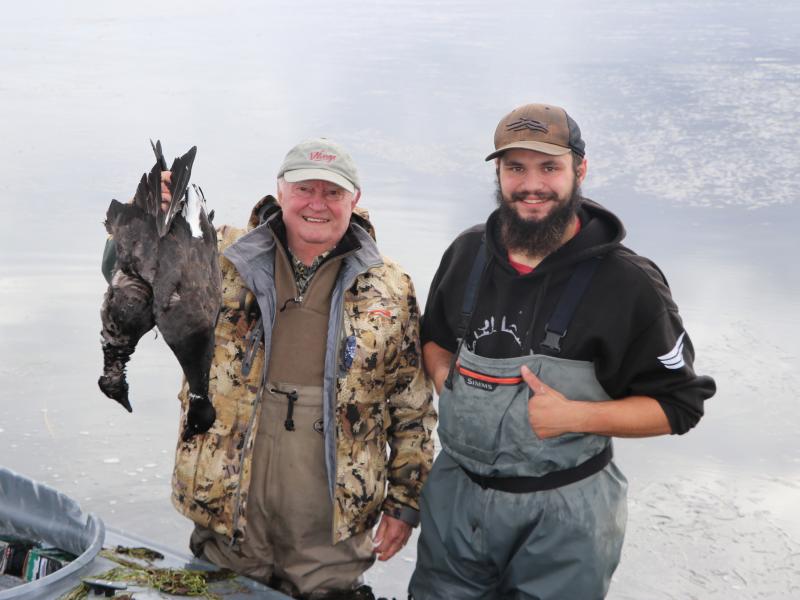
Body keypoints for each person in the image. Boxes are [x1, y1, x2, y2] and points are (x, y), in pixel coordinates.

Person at [104, 138, 436, 600]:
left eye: (333, 192)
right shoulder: (220, 254)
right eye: (304, 189)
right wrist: (149, 215)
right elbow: (124, 272)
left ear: (355, 199)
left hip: (329, 528)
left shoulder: (391, 286)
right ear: (280, 191)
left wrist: (405, 503)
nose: (317, 204)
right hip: (228, 510)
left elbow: (411, 404)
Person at [408, 104, 716, 599]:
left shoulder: (629, 284)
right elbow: (436, 338)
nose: (532, 185)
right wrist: (450, 382)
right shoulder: (466, 254)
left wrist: (578, 416)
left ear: (580, 169)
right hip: (455, 502)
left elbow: (679, 406)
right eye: (516, 168)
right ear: (498, 172)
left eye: (549, 167)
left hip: (564, 516)